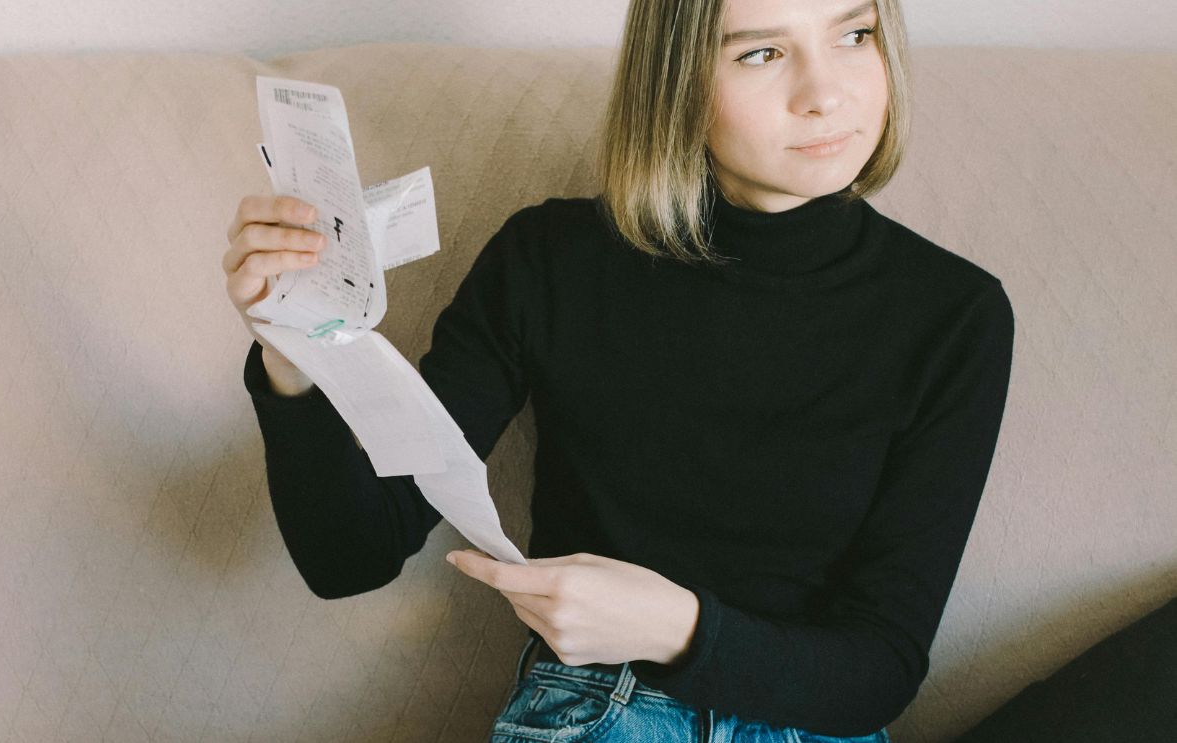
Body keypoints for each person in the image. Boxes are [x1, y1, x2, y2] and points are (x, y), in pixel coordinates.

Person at [220, 0, 1014, 739]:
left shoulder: (954, 317)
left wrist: (674, 625)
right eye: (763, 52)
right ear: (674, 80)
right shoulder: (548, 262)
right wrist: (291, 353)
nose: (825, 94)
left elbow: (879, 670)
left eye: (854, 35)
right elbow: (350, 557)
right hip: (596, 711)